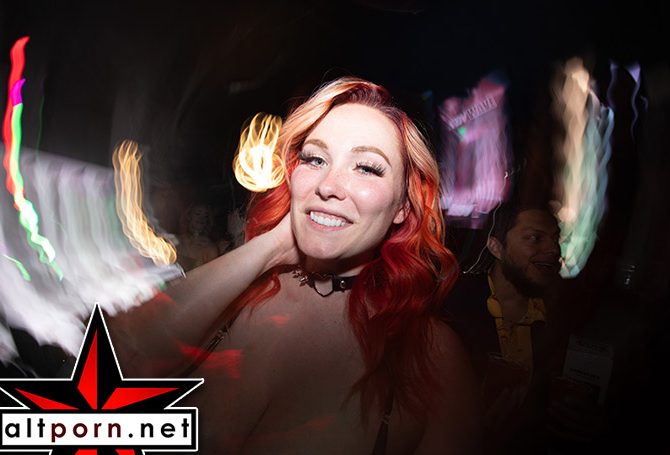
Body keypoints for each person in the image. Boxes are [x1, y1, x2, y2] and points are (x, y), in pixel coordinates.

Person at [108, 77, 482, 454]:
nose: (328, 185)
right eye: (315, 159)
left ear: (403, 206)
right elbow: (118, 365)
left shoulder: (432, 356)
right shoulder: (239, 293)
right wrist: (271, 247)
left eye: (367, 168)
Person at [443, 197, 606, 454]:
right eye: (535, 238)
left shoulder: (564, 322)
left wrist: (587, 422)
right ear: (496, 247)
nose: (553, 250)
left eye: (555, 239)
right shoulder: (451, 309)